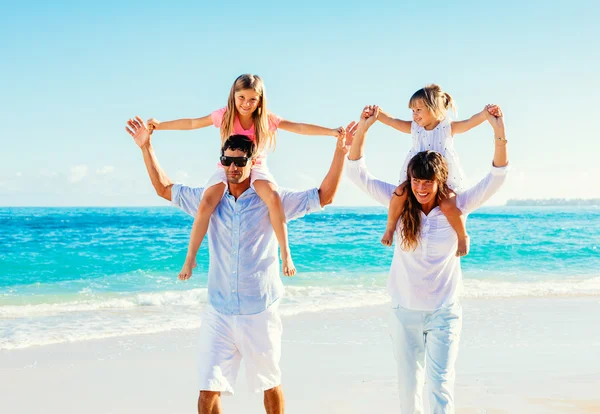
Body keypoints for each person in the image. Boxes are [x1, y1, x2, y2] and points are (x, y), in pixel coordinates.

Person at [125, 115, 355, 414]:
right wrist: (146, 146)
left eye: (240, 162)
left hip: (259, 311)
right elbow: (164, 188)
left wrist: (340, 151)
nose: (233, 167)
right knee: (208, 391)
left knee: (270, 386)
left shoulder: (271, 199)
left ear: (252, 163)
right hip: (218, 311)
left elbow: (325, 196)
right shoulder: (209, 198)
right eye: (228, 161)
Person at [346, 106, 509, 413]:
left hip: (444, 314)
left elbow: (497, 177)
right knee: (408, 391)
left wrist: (498, 131)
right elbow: (357, 174)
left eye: (428, 182)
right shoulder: (399, 201)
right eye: (416, 181)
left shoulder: (456, 206)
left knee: (439, 385)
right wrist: (365, 129)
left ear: (440, 181)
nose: (421, 188)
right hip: (403, 313)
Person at [147, 74, 345, 278]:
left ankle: (285, 255)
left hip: (257, 166)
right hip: (227, 166)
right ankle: (190, 259)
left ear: (260, 100)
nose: (246, 104)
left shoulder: (265, 119)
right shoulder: (224, 115)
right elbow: (192, 123)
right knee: (206, 202)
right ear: (233, 95)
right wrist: (160, 125)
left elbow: (299, 127)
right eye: (241, 97)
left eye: (252, 99)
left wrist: (331, 132)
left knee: (273, 198)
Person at [364, 84, 500, 256]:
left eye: (419, 110)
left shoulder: (447, 127)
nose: (415, 115)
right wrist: (378, 115)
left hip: (442, 179)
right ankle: (390, 228)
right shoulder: (415, 128)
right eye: (412, 111)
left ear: (434, 109)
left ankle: (462, 236)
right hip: (418, 175)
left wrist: (485, 114)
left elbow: (469, 123)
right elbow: (393, 122)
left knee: (447, 204)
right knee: (399, 193)